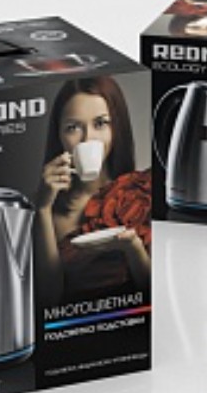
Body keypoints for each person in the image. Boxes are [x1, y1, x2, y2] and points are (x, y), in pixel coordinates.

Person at [34, 76, 151, 304]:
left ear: (117, 128)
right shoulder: (48, 209)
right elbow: (49, 300)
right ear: (59, 135)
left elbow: (156, 293)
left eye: (100, 124)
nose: (88, 139)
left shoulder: (141, 192)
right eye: (73, 128)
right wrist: (43, 208)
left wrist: (133, 248)